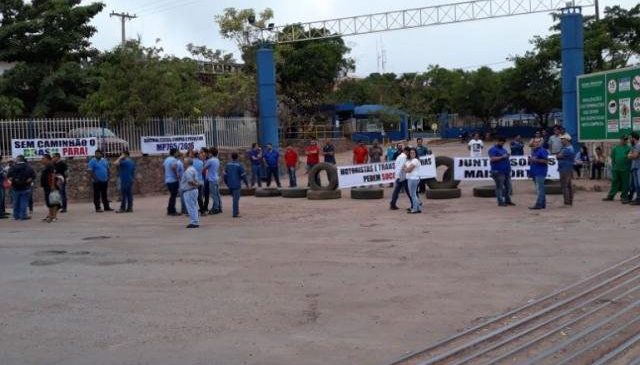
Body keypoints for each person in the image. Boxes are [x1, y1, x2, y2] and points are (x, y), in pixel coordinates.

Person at [603, 136, 632, 204]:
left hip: (625, 169)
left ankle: (624, 197)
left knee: (625, 183)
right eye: (623, 139)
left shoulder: (629, 148)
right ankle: (611, 196)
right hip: (616, 169)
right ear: (620, 140)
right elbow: (613, 158)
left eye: (626, 140)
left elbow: (630, 158)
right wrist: (613, 167)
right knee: (614, 182)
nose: (625, 141)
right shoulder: (615, 148)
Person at [7, 155, 36, 220]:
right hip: (26, 187)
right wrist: (28, 181)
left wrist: (13, 180)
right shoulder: (29, 167)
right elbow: (33, 176)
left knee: (15, 202)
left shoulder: (13, 167)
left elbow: (9, 176)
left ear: (18, 160)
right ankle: (23, 215)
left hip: (15, 187)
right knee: (24, 202)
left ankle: (16, 216)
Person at [489, 136, 514, 207]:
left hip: (506, 171)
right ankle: (500, 201)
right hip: (498, 171)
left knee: (508, 187)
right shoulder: (493, 149)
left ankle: (507, 200)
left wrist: (507, 156)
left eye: (503, 143)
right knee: (499, 187)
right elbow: (492, 159)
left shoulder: (504, 149)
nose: (502, 144)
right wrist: (502, 157)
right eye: (501, 142)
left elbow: (505, 157)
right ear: (498, 141)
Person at [224, 152, 249, 218]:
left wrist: (227, 183)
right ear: (237, 157)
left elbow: (225, 175)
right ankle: (235, 213)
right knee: (235, 200)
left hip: (230, 184)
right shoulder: (239, 165)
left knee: (234, 199)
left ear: (231, 157)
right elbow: (243, 176)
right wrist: (247, 184)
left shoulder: (228, 165)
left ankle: (236, 212)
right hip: (236, 184)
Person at [180, 157, 201, 228]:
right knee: (194, 206)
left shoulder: (188, 171)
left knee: (191, 207)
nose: (183, 163)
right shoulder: (193, 169)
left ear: (187, 163)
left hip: (189, 190)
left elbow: (190, 181)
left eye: (184, 162)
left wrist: (196, 185)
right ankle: (195, 221)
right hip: (193, 190)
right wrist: (197, 185)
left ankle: (194, 222)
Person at [528, 139, 549, 210]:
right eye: (535, 142)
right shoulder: (535, 151)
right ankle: (542, 204)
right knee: (540, 189)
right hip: (535, 172)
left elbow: (546, 161)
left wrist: (535, 160)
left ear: (541, 143)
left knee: (540, 189)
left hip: (540, 172)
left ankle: (539, 204)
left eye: (537, 142)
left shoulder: (542, 150)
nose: (536, 143)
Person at [40, 154, 61, 222]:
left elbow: (53, 175)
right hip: (47, 186)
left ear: (47, 159)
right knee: (49, 201)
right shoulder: (47, 166)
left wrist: (52, 185)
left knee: (53, 201)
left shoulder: (50, 165)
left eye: (43, 158)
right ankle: (50, 215)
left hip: (50, 186)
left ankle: (54, 216)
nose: (42, 160)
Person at [557, 134, 576, 206]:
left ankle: (567, 202)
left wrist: (558, 155)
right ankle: (569, 201)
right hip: (566, 168)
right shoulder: (567, 148)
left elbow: (559, 156)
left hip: (565, 168)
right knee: (568, 185)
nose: (561, 140)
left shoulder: (568, 149)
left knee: (564, 185)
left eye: (563, 139)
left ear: (567, 140)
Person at [204, 147, 222, 215]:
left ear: (211, 153)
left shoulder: (210, 160)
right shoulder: (217, 160)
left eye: (209, 153)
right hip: (216, 178)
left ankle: (216, 208)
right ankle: (219, 207)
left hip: (211, 179)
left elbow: (204, 168)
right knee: (217, 194)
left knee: (214, 195)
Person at [404, 148, 422, 214]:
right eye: (411, 152)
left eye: (413, 153)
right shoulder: (410, 160)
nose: (412, 154)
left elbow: (408, 170)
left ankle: (415, 209)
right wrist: (406, 169)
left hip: (413, 178)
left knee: (413, 194)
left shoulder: (415, 160)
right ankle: (418, 208)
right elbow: (404, 167)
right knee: (413, 194)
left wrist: (406, 169)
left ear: (416, 153)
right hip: (411, 178)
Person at [164, 148, 181, 216]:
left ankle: (170, 209)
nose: (178, 153)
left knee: (172, 196)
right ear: (174, 153)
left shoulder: (166, 159)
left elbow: (163, 168)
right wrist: (177, 176)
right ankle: (172, 211)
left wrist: (166, 175)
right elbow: (174, 167)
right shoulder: (174, 160)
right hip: (173, 180)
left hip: (168, 180)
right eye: (177, 152)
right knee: (173, 196)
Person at [628, 132, 640, 206]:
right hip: (634, 167)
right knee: (635, 185)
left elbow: (634, 156)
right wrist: (631, 155)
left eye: (630, 138)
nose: (629, 139)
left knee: (638, 184)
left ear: (634, 138)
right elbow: (629, 155)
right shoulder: (633, 146)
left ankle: (638, 199)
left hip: (638, 167)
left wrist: (631, 155)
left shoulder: (638, 146)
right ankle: (638, 198)